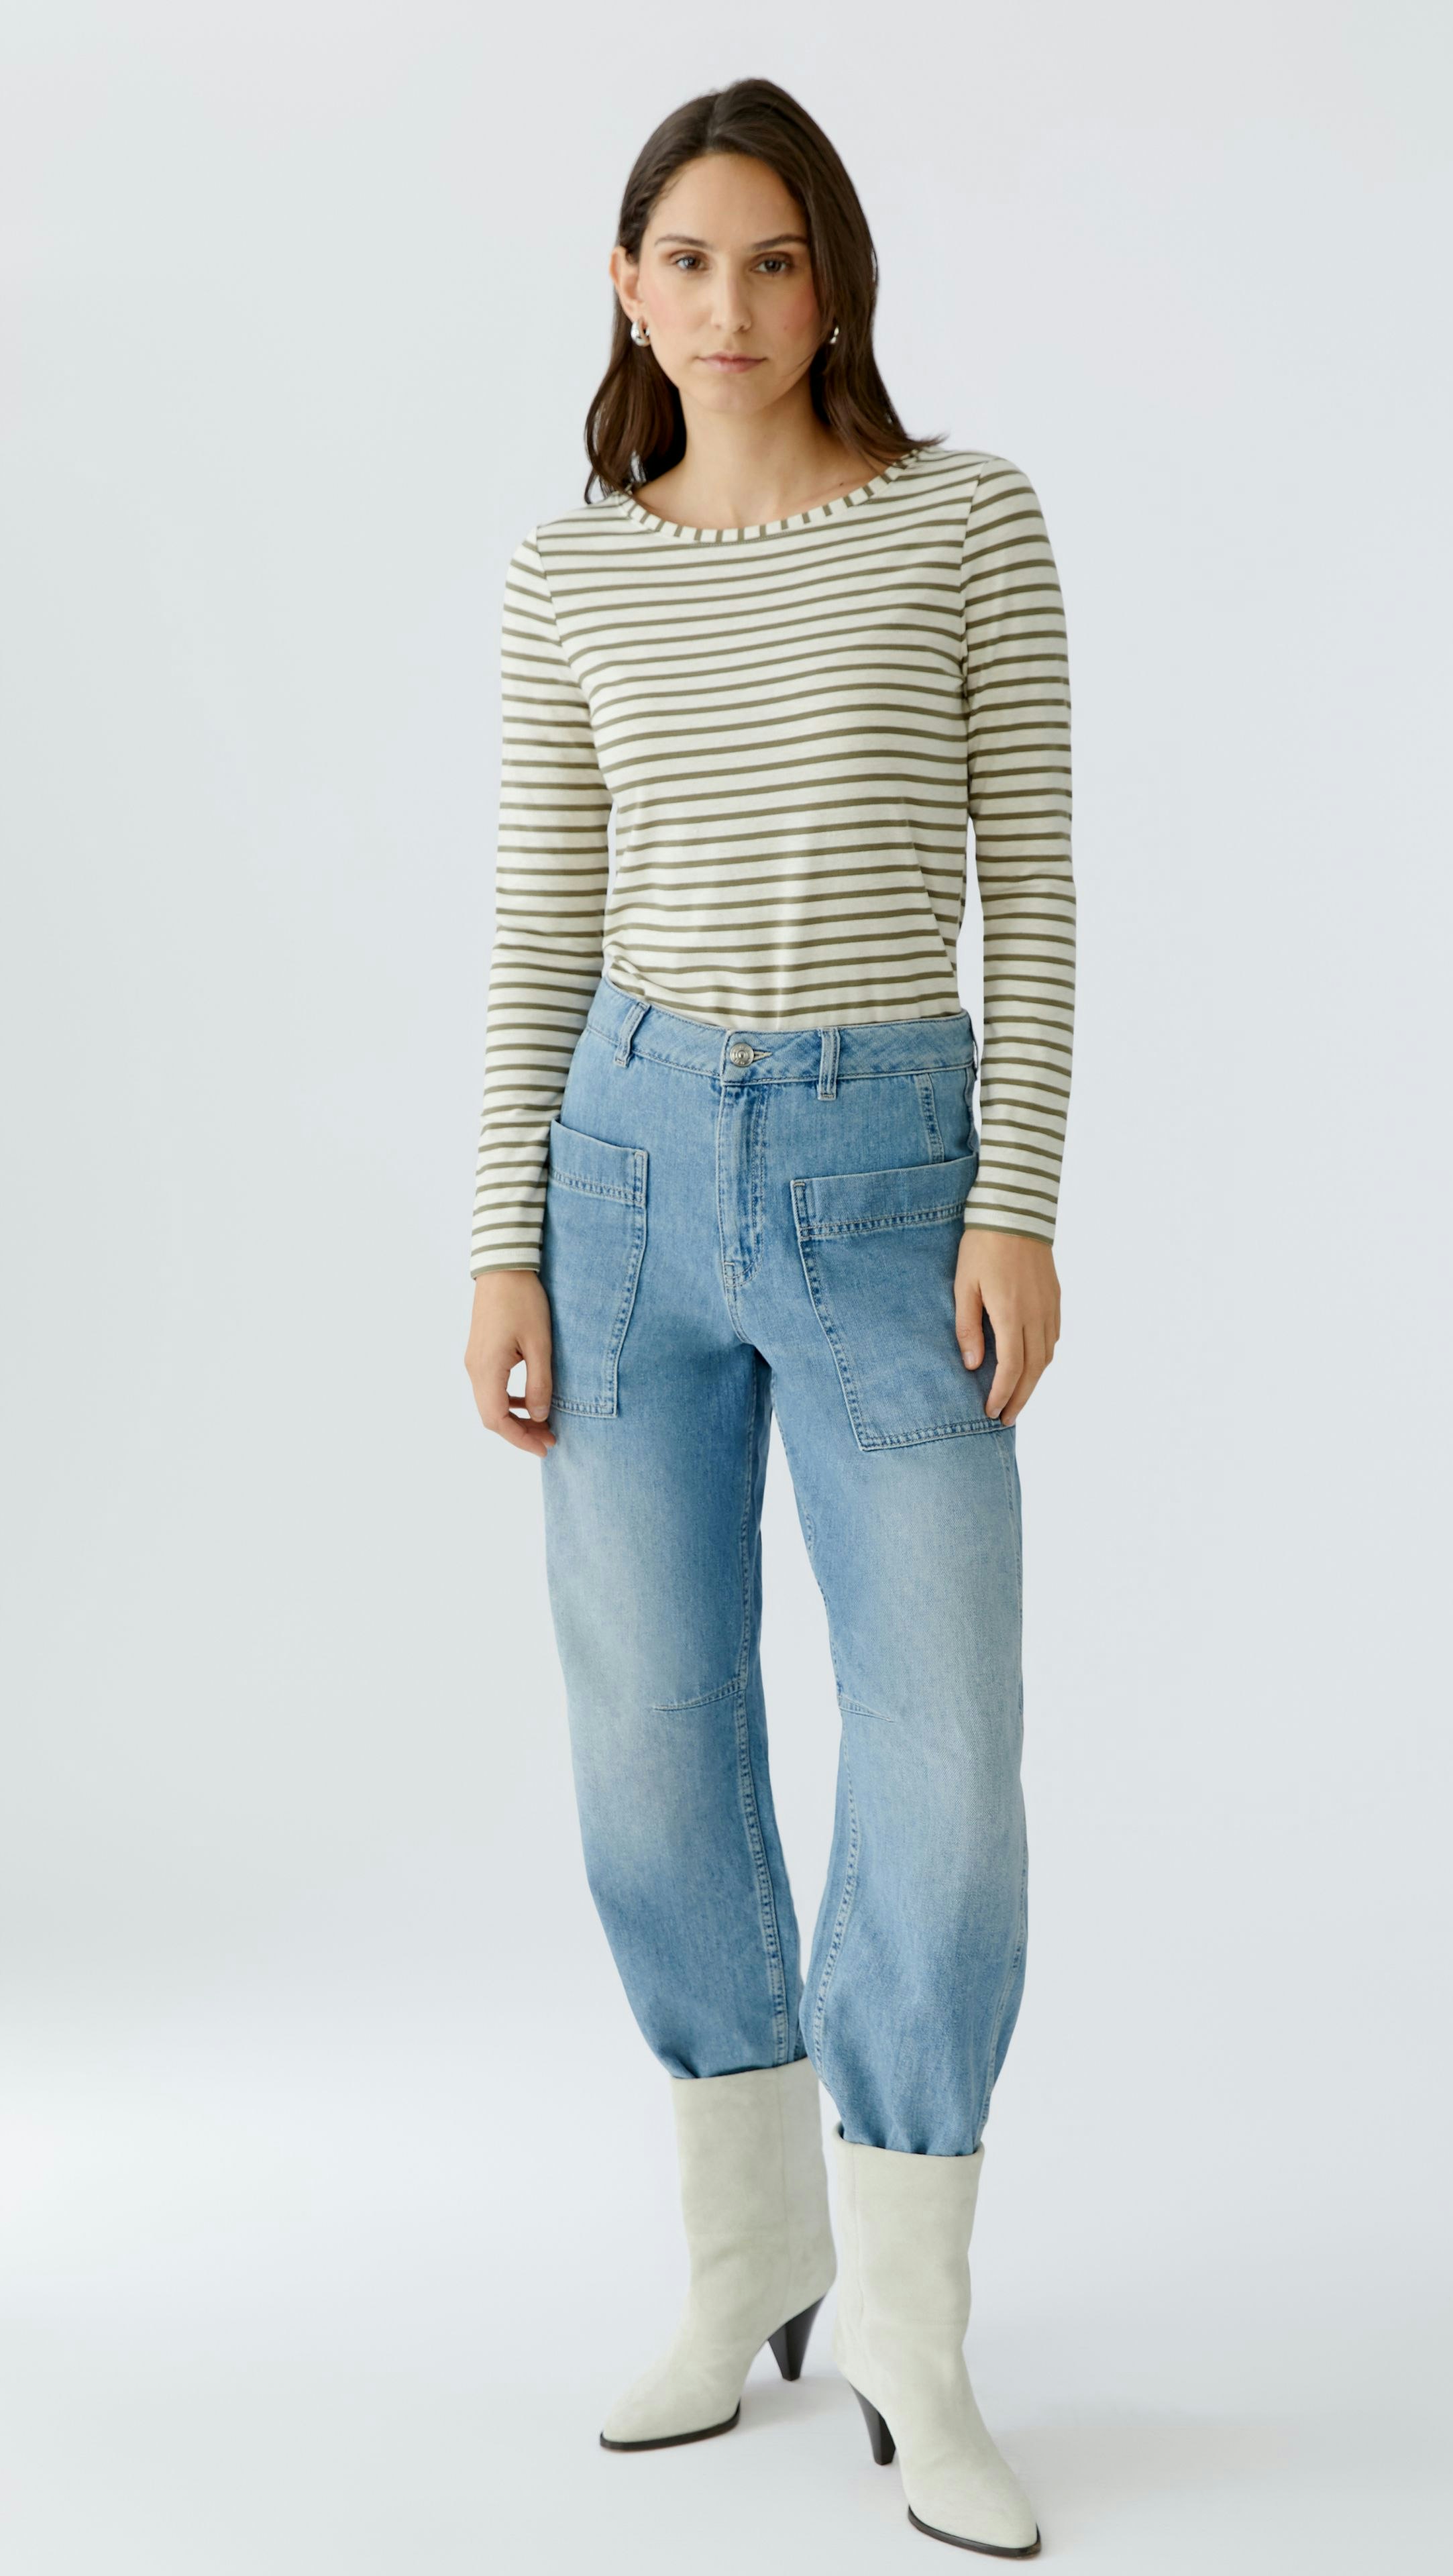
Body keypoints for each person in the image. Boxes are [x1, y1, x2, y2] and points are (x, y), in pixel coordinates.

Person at [462, 75, 1073, 2563]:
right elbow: (535, 923)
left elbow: (1029, 889)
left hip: (882, 1168)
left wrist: (1014, 1199)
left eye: (777, 261)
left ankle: (915, 2338)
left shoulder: (965, 523)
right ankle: (752, 2258)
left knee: (937, 1754)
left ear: (840, 285)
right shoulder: (569, 571)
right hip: (620, 1176)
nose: (731, 307)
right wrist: (502, 1231)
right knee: (651, 1754)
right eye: (687, 263)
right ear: (627, 288)